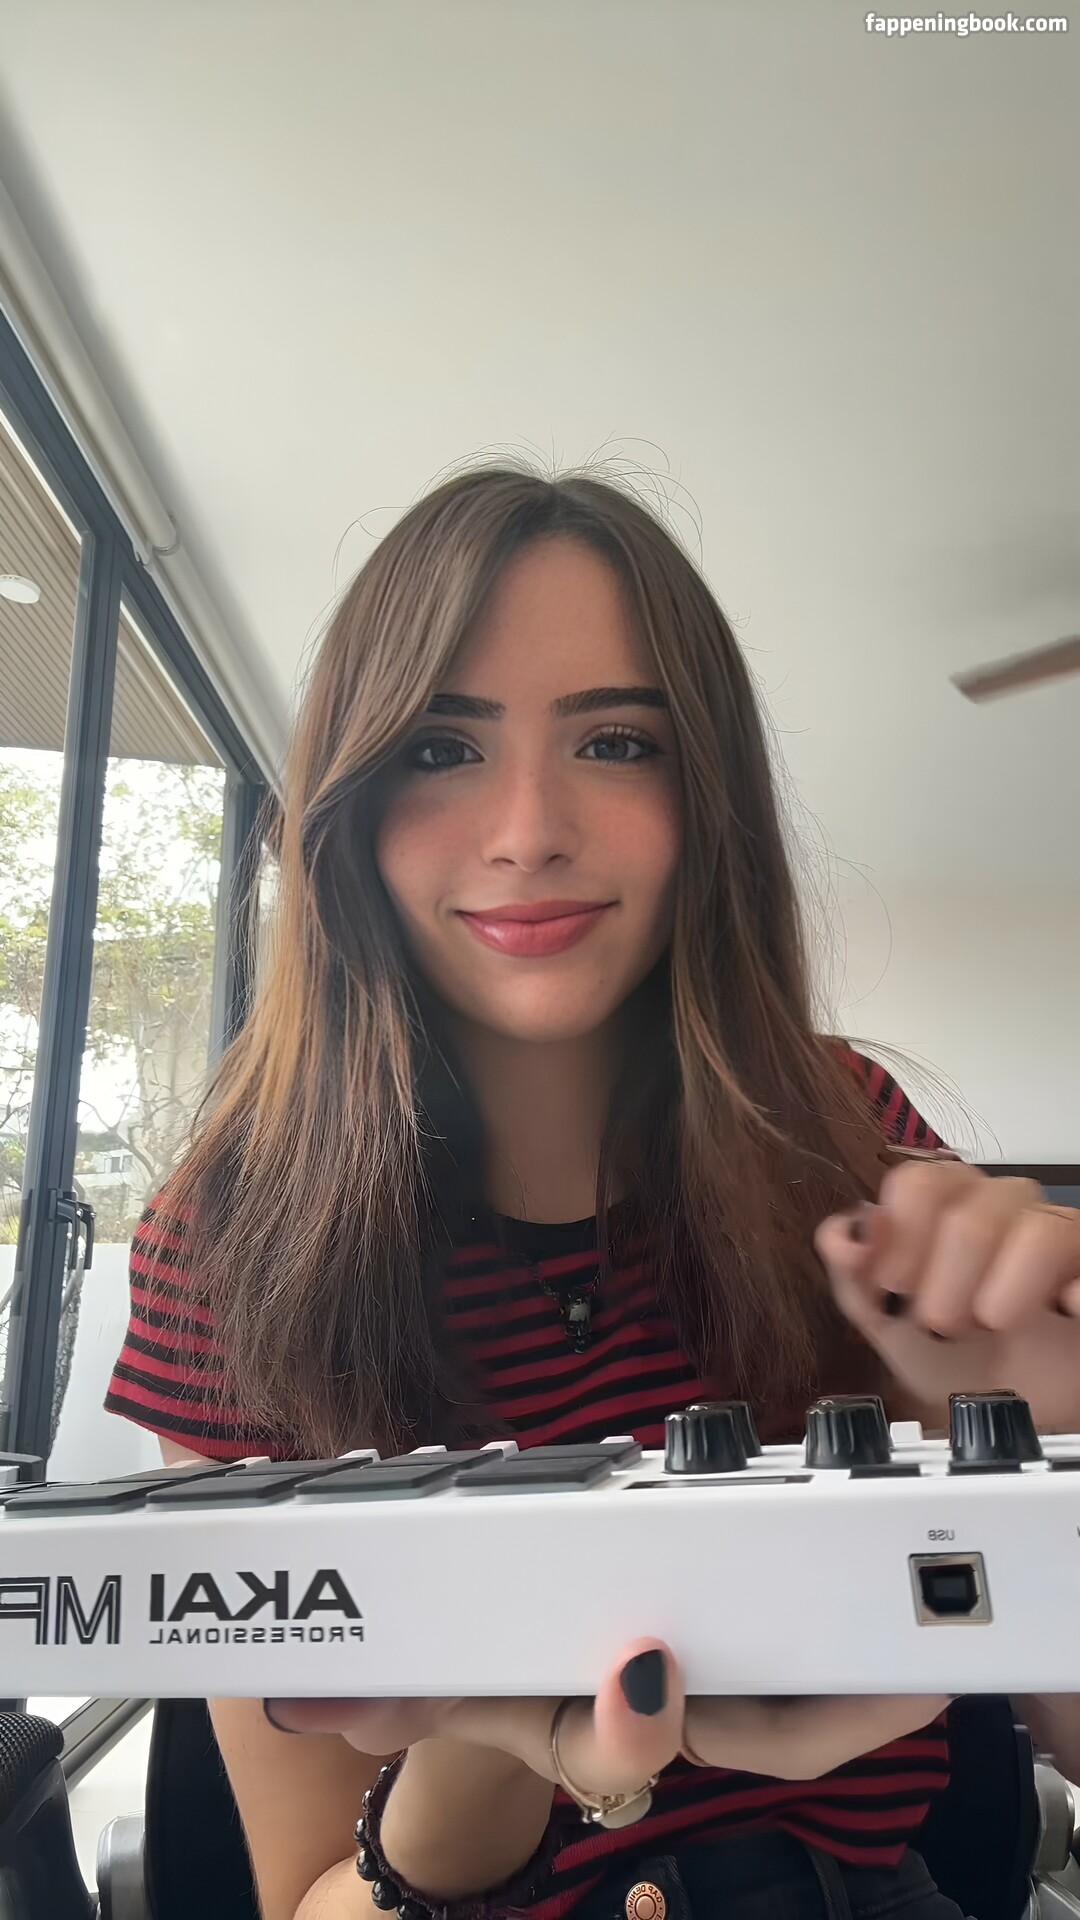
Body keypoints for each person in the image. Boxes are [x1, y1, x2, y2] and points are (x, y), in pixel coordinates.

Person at [105, 466, 1080, 1920]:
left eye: (616, 743)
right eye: (441, 748)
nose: (527, 830)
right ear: (348, 807)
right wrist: (512, 1736)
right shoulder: (229, 1245)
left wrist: (1049, 1433)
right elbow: (307, 1894)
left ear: (706, 802)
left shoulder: (845, 1142)